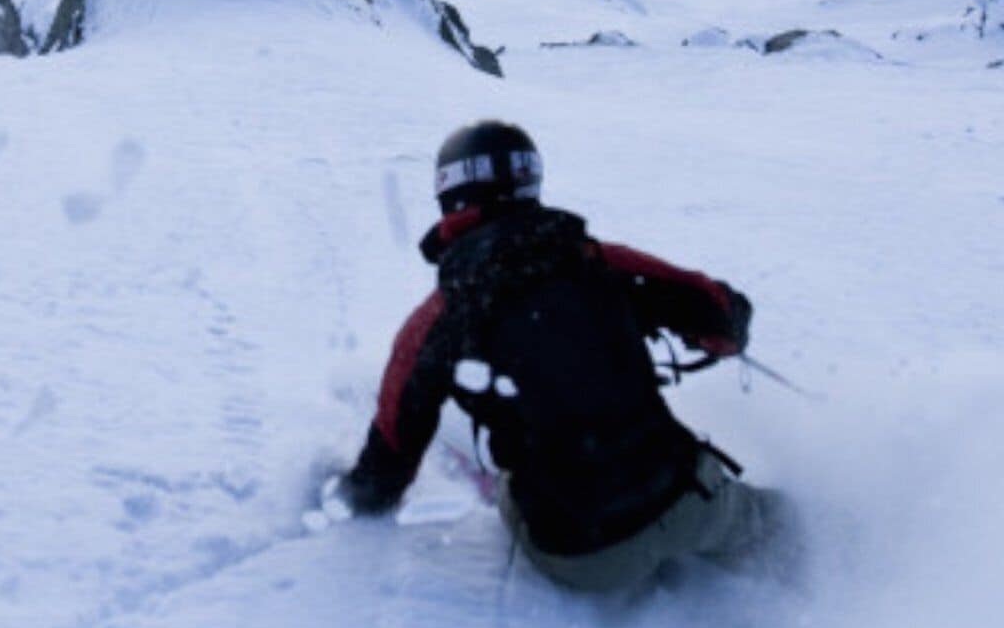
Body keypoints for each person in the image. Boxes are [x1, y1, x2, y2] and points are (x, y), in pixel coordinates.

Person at [330, 120, 783, 595]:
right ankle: (838, 582)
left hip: (583, 554)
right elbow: (721, 316)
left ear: (450, 196)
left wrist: (339, 492)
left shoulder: (435, 322)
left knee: (519, 485)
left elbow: (382, 476)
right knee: (761, 521)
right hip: (687, 499)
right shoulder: (597, 260)